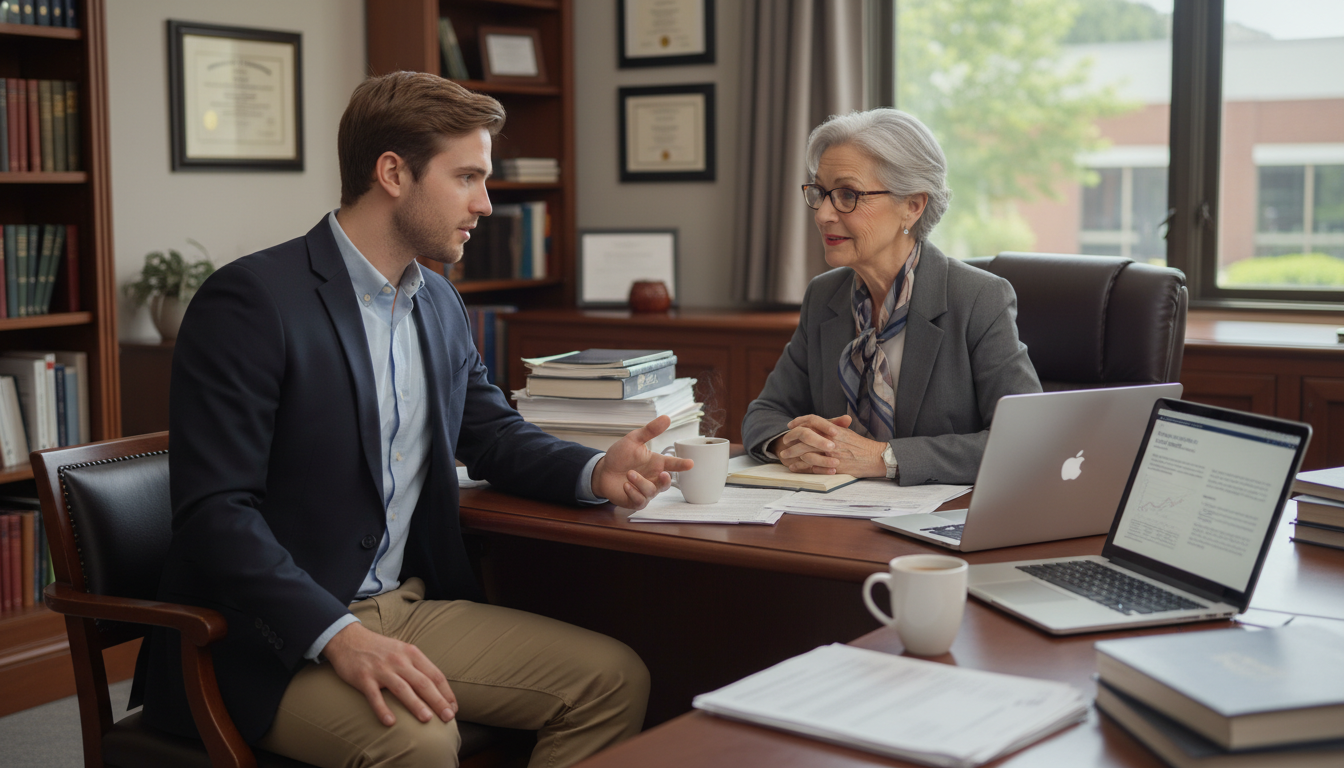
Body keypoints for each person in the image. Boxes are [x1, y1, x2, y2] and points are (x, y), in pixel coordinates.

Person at [132, 71, 691, 768]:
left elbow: (491, 434)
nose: (485, 203)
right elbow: (216, 514)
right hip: (263, 638)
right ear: (393, 173)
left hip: (407, 605)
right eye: (467, 178)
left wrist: (595, 469)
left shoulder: (439, 303)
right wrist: (337, 634)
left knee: (612, 680)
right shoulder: (250, 303)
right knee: (419, 742)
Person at [741, 108, 1041, 486]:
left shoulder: (978, 299)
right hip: (833, 510)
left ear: (912, 206)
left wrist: (883, 458)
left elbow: (1025, 440)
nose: (823, 214)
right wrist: (789, 443)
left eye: (847, 195)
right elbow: (765, 413)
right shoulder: (824, 296)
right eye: (820, 193)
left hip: (940, 515)